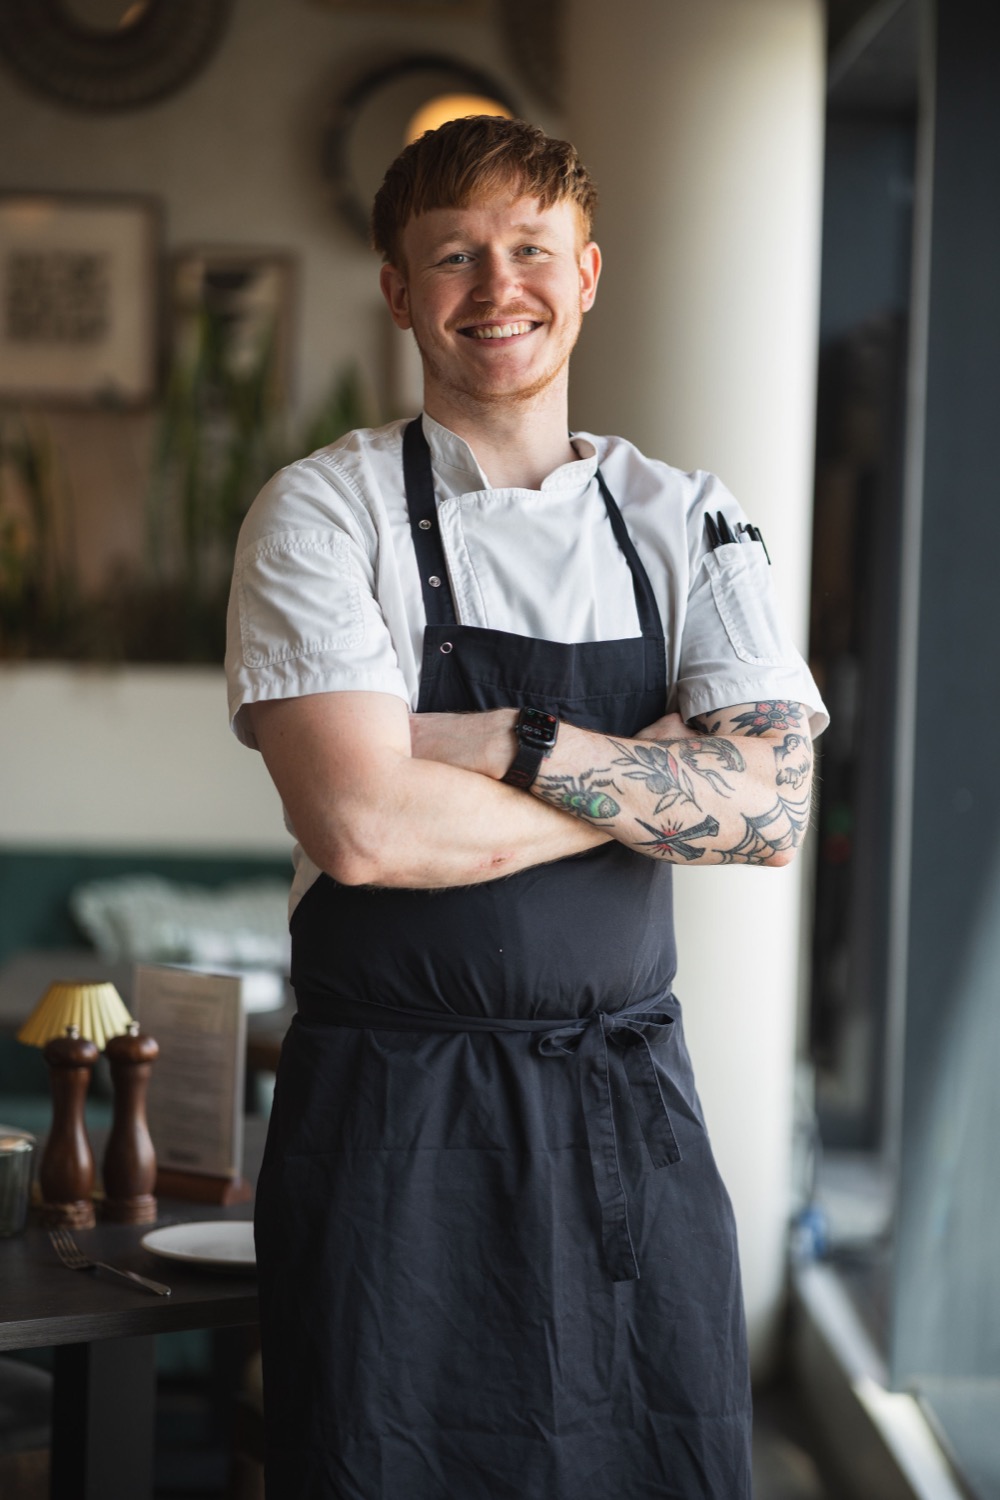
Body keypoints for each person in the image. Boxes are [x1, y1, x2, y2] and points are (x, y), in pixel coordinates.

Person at [225, 114, 827, 1500]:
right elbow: (365, 831)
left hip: (631, 1118)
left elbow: (773, 807)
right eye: (454, 256)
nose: (498, 287)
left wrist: (508, 742)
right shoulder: (325, 518)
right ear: (398, 288)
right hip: (394, 1123)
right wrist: (645, 776)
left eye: (530, 251)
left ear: (591, 273)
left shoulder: (691, 520)